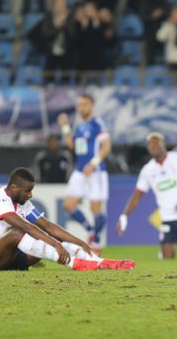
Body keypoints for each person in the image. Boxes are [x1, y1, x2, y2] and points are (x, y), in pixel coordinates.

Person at [0, 167, 133, 271]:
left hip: (11, 258)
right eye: (27, 191)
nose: (30, 195)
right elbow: (25, 227)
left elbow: (48, 226)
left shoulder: (23, 203)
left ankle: (97, 261)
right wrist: (54, 244)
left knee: (55, 237)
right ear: (14, 187)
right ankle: (74, 263)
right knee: (17, 232)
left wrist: (81, 243)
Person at [117, 133, 177, 259]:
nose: (153, 146)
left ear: (163, 144)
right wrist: (124, 216)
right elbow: (137, 195)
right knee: (168, 257)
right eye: (150, 145)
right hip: (168, 216)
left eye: (156, 143)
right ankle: (164, 250)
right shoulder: (148, 170)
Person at [57, 93, 111, 250]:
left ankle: (96, 242)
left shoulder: (97, 123)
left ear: (91, 106)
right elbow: (71, 144)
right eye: (79, 105)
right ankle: (90, 230)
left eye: (84, 104)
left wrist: (93, 164)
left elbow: (106, 146)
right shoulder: (79, 126)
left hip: (96, 172)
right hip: (80, 171)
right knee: (68, 205)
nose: (81, 108)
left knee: (96, 209)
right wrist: (65, 126)